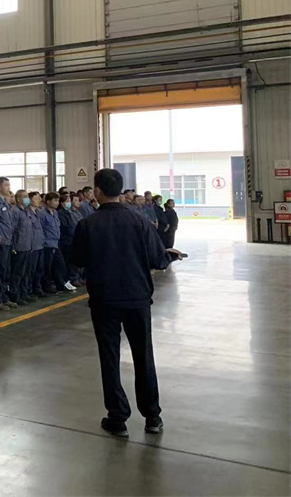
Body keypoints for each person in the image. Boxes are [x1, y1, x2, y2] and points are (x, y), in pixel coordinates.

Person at [71, 168, 168, 438]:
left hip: (105, 299)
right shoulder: (140, 222)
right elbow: (158, 259)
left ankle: (118, 417)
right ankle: (152, 416)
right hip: (137, 297)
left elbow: (77, 259)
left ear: (97, 192)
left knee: (109, 356)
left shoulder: (88, 224)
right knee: (143, 355)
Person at [0, 177, 18, 310]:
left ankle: (4, 297)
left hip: (7, 241)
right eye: (6, 185)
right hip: (0, 242)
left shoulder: (5, 202)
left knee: (6, 271)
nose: (8, 187)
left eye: (9, 185)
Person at [40, 192, 71, 295]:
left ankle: (60, 285)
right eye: (55, 200)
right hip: (47, 244)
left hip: (56, 242)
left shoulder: (55, 213)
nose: (57, 203)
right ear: (48, 201)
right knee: (47, 267)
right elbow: (40, 228)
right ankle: (47, 287)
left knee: (60, 265)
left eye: (58, 201)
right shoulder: (42, 214)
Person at [10, 189, 34, 305]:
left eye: (27, 196)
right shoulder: (15, 211)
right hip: (19, 247)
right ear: (18, 199)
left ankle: (24, 293)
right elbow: (13, 230)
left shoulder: (26, 211)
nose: (27, 199)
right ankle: (15, 295)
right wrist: (13, 247)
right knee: (17, 273)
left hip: (27, 246)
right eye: (24, 196)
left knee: (26, 272)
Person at [58, 194, 83, 289]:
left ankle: (77, 277)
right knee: (68, 261)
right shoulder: (62, 213)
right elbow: (67, 227)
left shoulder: (75, 212)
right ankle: (71, 278)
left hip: (75, 239)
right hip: (67, 240)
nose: (68, 203)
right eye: (67, 201)